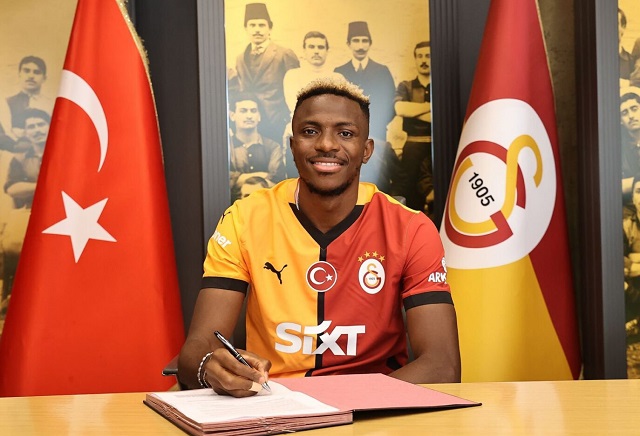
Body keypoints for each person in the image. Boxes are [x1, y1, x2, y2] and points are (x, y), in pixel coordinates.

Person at [178, 77, 461, 396]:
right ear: (292, 146)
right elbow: (195, 350)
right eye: (310, 131)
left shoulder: (410, 228)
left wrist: (342, 407)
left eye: (345, 133)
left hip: (376, 410)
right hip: (273, 404)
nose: (327, 144)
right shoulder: (244, 219)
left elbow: (442, 365)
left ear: (366, 150)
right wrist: (209, 366)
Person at [230, 3, 299, 145]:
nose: (257, 30)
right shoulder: (240, 59)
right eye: (252, 25)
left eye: (261, 25)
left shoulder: (284, 54)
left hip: (277, 123)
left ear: (270, 28)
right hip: (251, 125)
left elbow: (296, 90)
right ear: (246, 28)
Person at [1, 108, 50, 309]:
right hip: (30, 213)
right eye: (31, 127)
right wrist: (45, 184)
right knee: (13, 244)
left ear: (49, 126)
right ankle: (15, 296)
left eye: (40, 124)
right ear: (26, 132)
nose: (36, 130)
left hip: (65, 211)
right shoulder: (20, 158)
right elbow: (12, 188)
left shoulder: (67, 151)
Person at [282, 31, 345, 177]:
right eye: (311, 47)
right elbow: (296, 106)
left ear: (327, 51)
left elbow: (338, 111)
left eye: (320, 47)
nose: (316, 51)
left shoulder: (337, 78)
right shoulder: (293, 75)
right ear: (304, 50)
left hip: (329, 138)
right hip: (299, 133)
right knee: (295, 178)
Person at [334, 21, 395, 141]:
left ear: (370, 43)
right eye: (356, 41)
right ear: (348, 44)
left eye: (364, 41)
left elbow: (391, 104)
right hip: (346, 133)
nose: (361, 46)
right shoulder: (339, 72)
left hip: (376, 132)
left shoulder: (382, 71)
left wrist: (377, 123)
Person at [394, 41, 433, 213]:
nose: (424, 60)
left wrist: (414, 111)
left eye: (428, 56)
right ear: (415, 59)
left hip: (437, 148)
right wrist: (430, 106)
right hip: (412, 148)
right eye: (420, 56)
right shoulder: (406, 86)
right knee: (410, 194)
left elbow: (444, 115)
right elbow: (400, 109)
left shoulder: (440, 85)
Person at [228, 92, 285, 201]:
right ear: (232, 116)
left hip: (265, 204)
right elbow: (224, 180)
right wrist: (263, 176)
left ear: (259, 116)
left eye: (253, 111)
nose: (249, 115)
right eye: (243, 111)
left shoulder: (273, 147)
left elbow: (277, 182)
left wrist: (238, 178)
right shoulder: (226, 147)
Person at [0, 56, 54, 142]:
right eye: (26, 71)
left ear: (44, 78)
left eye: (37, 72)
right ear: (19, 74)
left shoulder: (51, 104)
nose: (31, 76)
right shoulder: (6, 103)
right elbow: (6, 134)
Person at [623, 176, 640, 345]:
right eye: (639, 191)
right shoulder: (626, 226)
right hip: (633, 288)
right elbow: (622, 263)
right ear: (633, 197)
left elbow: (630, 261)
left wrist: (635, 258)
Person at [620, 88, 640, 212]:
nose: (631, 116)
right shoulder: (620, 150)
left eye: (634, 109)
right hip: (630, 209)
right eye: (624, 113)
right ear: (621, 121)